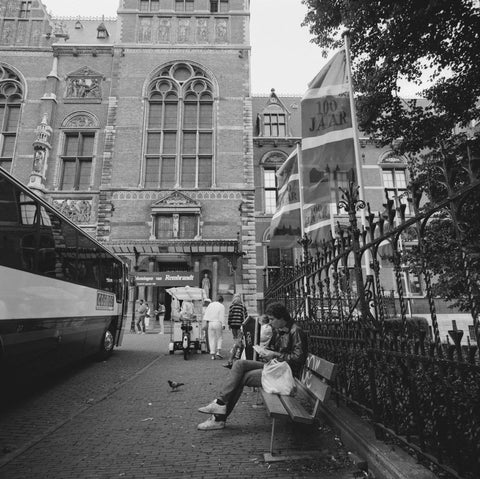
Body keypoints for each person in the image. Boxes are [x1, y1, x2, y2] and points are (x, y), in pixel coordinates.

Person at [197, 302, 307, 431]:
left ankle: (219, 417)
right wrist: (265, 352)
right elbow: (274, 349)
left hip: (284, 374)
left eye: (272, 319)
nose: (270, 323)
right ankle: (220, 404)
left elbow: (298, 359)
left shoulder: (296, 331)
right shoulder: (279, 329)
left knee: (242, 378)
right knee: (239, 364)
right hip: (275, 367)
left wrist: (274, 354)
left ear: (282, 317)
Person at [202, 296, 225, 360]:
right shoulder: (221, 306)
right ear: (221, 301)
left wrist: (206, 323)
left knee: (211, 338)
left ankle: (212, 354)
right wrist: (223, 324)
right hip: (218, 322)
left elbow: (206, 314)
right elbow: (221, 316)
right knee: (219, 337)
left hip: (210, 322)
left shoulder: (210, 305)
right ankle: (218, 351)